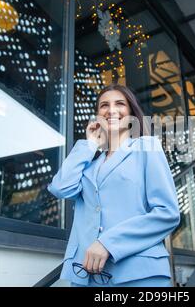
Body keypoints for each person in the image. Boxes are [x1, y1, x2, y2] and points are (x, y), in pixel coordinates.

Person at [47, 84, 181, 287]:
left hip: (139, 274)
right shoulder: (89, 165)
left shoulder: (147, 148)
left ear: (131, 112)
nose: (111, 110)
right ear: (97, 116)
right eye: (103, 105)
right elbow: (60, 187)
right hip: (88, 277)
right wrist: (90, 144)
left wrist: (108, 243)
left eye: (119, 103)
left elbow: (167, 213)